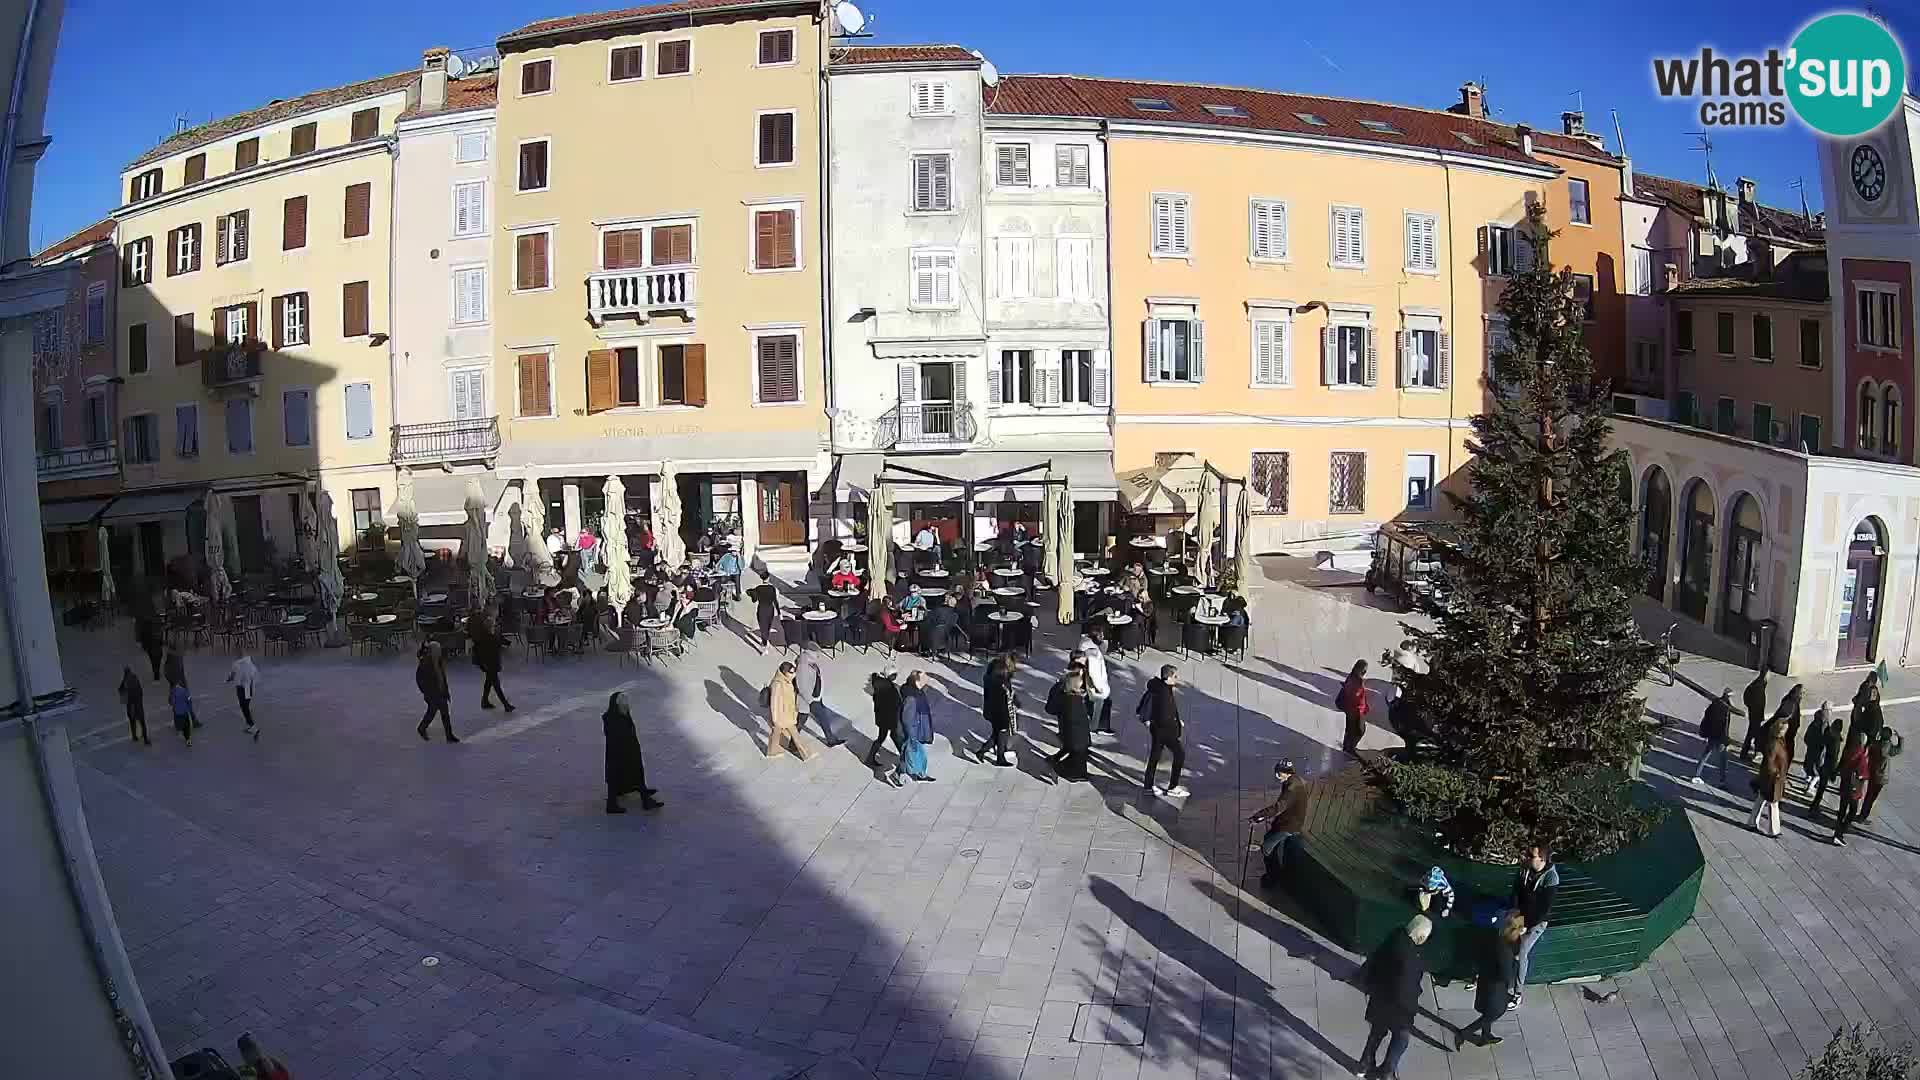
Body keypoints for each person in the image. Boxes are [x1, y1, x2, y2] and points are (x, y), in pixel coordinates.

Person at [1356, 915, 1432, 1080]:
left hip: (1379, 996)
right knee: (1401, 1038)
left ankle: (1364, 1064)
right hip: (1397, 1005)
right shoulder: (1410, 958)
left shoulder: (1395, 937)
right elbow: (1408, 988)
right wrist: (1412, 1007)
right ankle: (1387, 1072)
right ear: (1420, 937)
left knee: (1377, 1032)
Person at [1457, 911, 1527, 1049]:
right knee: (1493, 1013)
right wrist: (1516, 961)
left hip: (1486, 979)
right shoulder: (1505, 950)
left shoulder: (1494, 937)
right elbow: (1507, 975)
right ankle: (1465, 1032)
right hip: (1496, 987)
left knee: (1487, 1011)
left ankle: (1485, 1036)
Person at [1510, 845, 1558, 1004]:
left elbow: (1544, 909)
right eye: (1528, 854)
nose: (1527, 857)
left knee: (1521, 953)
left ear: (1542, 859)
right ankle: (1497, 978)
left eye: (1532, 856)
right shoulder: (1525, 869)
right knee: (1507, 942)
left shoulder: (1551, 878)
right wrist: (1516, 911)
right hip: (1520, 916)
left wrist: (1527, 925)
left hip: (1536, 922)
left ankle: (1517, 994)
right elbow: (1516, 890)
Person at [1249, 760, 1308, 887]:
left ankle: (1273, 877)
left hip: (1288, 825)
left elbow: (1278, 807)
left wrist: (1259, 816)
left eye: (1279, 774)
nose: (1276, 776)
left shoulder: (1292, 788)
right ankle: (1277, 873)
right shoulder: (1294, 781)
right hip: (1291, 822)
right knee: (1271, 842)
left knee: (1267, 847)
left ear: (1287, 773)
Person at [602, 691, 662, 814]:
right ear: (618, 704)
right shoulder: (615, 718)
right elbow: (619, 737)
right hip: (623, 753)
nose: (627, 705)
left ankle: (641, 792)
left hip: (622, 753)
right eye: (624, 703)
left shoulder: (620, 714)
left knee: (623, 775)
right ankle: (644, 799)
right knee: (633, 773)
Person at [1138, 664, 1187, 797]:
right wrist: (1176, 727)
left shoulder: (1160, 687)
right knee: (1179, 754)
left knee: (1155, 756)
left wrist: (1177, 719)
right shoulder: (1164, 693)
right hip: (1165, 731)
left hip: (1156, 729)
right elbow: (1166, 715)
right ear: (1169, 677)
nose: (1177, 679)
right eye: (1175, 676)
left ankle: (1148, 785)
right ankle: (1173, 786)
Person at [762, 661, 817, 761]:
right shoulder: (777, 684)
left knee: (778, 735)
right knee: (788, 735)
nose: (793, 674)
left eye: (794, 672)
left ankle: (772, 752)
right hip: (781, 716)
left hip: (787, 714)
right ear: (784, 672)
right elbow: (774, 703)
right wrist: (775, 719)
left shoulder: (787, 681)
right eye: (791, 672)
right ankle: (806, 754)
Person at [1047, 668, 1094, 782]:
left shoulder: (1073, 697)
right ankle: (1071, 773)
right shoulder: (1070, 700)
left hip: (1079, 735)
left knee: (1080, 757)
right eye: (1080, 681)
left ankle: (1080, 773)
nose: (1082, 683)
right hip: (1076, 736)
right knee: (1077, 757)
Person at [794, 641, 843, 747]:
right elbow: (801, 685)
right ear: (811, 652)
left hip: (815, 697)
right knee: (821, 717)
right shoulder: (803, 664)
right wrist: (811, 700)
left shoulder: (810, 661)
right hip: (809, 699)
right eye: (817, 652)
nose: (819, 654)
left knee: (802, 720)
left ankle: (793, 742)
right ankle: (831, 740)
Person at [468, 612, 515, 712]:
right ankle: (505, 705)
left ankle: (484, 701)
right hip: (490, 664)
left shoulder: (487, 635)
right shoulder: (488, 637)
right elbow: (494, 646)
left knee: (489, 682)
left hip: (489, 663)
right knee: (496, 685)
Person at [978, 653, 1019, 767]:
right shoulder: (1001, 683)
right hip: (1000, 713)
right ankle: (999, 758)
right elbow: (1005, 699)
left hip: (990, 710)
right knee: (1001, 734)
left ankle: (983, 751)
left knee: (997, 734)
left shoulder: (991, 674)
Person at [414, 641, 457, 743]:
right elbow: (420, 681)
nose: (439, 653)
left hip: (440, 692)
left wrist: (446, 692)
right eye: (437, 651)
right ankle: (422, 728)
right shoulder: (425, 664)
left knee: (444, 713)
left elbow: (442, 678)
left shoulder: (439, 661)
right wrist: (427, 692)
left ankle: (449, 734)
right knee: (433, 712)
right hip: (432, 694)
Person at [896, 671, 935, 783]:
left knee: (913, 754)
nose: (926, 680)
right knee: (913, 754)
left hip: (918, 728)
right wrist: (912, 735)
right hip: (915, 731)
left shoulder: (916, 692)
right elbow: (907, 719)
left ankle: (920, 774)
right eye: (923, 678)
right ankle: (899, 773)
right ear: (916, 681)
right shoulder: (912, 698)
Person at [1750, 718, 1787, 838]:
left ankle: (1751, 822)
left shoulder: (1777, 740)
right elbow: (1770, 762)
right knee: (1773, 803)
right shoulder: (1774, 744)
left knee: (1761, 799)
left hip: (1770, 777)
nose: (1785, 732)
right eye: (1784, 730)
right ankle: (1774, 830)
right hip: (1772, 779)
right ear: (1780, 731)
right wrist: (1776, 774)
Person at [1832, 733, 1870, 846]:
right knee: (1852, 811)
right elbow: (1863, 774)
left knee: (1842, 810)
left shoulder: (1849, 750)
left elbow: (1842, 764)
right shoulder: (1861, 757)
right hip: (1854, 789)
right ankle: (1840, 833)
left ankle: (1837, 832)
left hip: (1844, 785)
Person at [1809, 710, 1849, 819]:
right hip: (1827, 766)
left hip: (1821, 763)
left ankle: (1814, 805)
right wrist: (1833, 772)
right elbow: (1834, 758)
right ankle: (1814, 807)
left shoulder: (1828, 733)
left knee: (1821, 787)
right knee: (1822, 787)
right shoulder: (1835, 741)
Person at [1691, 688, 1733, 786]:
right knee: (1723, 760)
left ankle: (1696, 775)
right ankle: (1722, 781)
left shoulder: (1714, 704)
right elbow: (1725, 727)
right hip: (1720, 737)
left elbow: (1707, 717)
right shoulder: (1726, 708)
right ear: (1728, 696)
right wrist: (1726, 739)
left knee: (1705, 755)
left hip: (1712, 735)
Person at [1861, 727, 1903, 823]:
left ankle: (1862, 814)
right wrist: (1900, 738)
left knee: (1868, 795)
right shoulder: (1888, 747)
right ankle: (1863, 816)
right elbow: (1899, 750)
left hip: (1872, 773)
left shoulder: (1875, 744)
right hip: (1881, 777)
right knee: (1872, 797)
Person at [866, 666, 902, 768]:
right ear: (890, 676)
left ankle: (870, 758)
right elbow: (896, 703)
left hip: (881, 717)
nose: (896, 676)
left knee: (882, 737)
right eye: (894, 675)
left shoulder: (880, 685)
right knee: (895, 736)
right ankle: (904, 756)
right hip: (889, 717)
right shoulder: (890, 688)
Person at [1080, 628, 1114, 737]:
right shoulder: (1092, 652)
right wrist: (1100, 688)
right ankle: (1096, 727)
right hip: (1096, 686)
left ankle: (1097, 726)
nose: (1103, 638)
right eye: (1101, 636)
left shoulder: (1087, 645)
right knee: (1099, 707)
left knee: (1097, 706)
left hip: (1089, 684)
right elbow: (1093, 673)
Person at [1337, 659, 1370, 756]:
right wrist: (1362, 711)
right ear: (1363, 671)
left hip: (1349, 710)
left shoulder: (1351, 676)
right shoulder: (1358, 683)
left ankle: (1346, 746)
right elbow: (1357, 701)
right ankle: (1350, 748)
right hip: (1356, 712)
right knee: (1359, 731)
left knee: (1349, 729)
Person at [227, 652, 261, 740]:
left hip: (241, 689)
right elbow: (255, 675)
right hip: (249, 687)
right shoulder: (251, 664)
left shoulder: (236, 664)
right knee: (246, 707)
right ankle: (251, 726)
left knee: (244, 708)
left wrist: (228, 679)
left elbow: (231, 676)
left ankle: (253, 727)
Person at [1740, 669, 1770, 761]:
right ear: (1765, 675)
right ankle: (1749, 753)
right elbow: (1748, 696)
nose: (1769, 677)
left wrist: (1749, 706)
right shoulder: (1758, 686)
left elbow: (1746, 695)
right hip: (1755, 715)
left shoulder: (1759, 684)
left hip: (1756, 714)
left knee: (1753, 734)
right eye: (1768, 675)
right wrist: (1751, 707)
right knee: (1753, 734)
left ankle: (1751, 752)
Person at [118, 666, 149, 746]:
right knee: (142, 722)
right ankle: (145, 738)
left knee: (132, 722)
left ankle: (135, 736)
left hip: (131, 706)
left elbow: (120, 690)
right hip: (138, 706)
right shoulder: (135, 679)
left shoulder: (125, 681)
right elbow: (141, 692)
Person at [1803, 701, 1829, 793]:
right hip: (1819, 754)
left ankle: (1807, 780)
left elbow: (1806, 738)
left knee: (1809, 768)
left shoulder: (1813, 725)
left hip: (1810, 751)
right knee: (1817, 773)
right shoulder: (1824, 726)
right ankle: (1810, 788)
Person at [1853, 675, 1886, 745]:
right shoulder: (1874, 690)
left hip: (1870, 722)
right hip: (1877, 720)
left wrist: (1857, 701)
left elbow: (1861, 701)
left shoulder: (1867, 688)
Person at [134, 611, 164, 682]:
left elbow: (138, 626)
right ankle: (156, 672)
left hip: (152, 637)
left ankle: (156, 672)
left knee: (155, 656)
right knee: (156, 655)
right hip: (151, 637)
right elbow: (138, 626)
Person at [169, 681, 196, 746]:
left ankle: (180, 730)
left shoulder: (173, 691)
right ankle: (188, 740)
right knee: (187, 726)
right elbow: (189, 700)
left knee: (180, 723)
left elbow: (172, 702)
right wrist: (190, 709)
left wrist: (174, 707)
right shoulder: (185, 691)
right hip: (185, 711)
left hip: (177, 712)